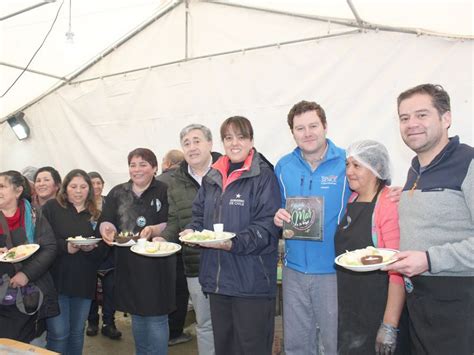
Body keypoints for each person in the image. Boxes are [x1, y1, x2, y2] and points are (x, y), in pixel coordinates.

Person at [385, 84, 474, 354]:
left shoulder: (468, 164)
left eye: (421, 115)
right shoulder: (416, 168)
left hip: (459, 303)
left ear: (446, 119)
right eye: (404, 118)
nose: (411, 124)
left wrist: (429, 259)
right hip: (420, 301)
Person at [182, 116, 281, 355]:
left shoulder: (263, 176)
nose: (234, 143)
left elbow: (268, 226)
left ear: (251, 140)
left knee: (251, 348)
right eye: (228, 137)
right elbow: (198, 213)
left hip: (251, 282)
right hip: (217, 282)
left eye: (241, 136)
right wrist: (192, 230)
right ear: (222, 141)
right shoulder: (213, 176)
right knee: (225, 347)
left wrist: (232, 243)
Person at [273, 100, 350, 355]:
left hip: (333, 270)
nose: (307, 133)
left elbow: (373, 195)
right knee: (296, 345)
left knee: (334, 342)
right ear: (292, 132)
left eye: (313, 125)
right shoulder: (283, 166)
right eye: (300, 128)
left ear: (325, 126)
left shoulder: (347, 163)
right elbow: (275, 207)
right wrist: (276, 216)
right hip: (294, 271)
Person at [334, 140, 408, 355]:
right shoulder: (352, 198)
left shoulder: (388, 204)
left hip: (379, 308)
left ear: (376, 168)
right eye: (347, 165)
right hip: (350, 307)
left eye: (357, 166)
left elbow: (397, 270)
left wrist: (389, 325)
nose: (349, 171)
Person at [100, 148, 175, 355]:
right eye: (133, 165)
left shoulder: (165, 189)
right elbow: (107, 220)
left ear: (154, 167)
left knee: (157, 317)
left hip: (157, 264)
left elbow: (173, 222)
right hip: (127, 263)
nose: (137, 169)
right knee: (137, 315)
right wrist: (107, 229)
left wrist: (154, 229)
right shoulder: (118, 191)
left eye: (143, 164)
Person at [160, 124, 219, 354]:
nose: (192, 147)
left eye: (197, 141)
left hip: (229, 259)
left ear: (210, 144)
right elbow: (175, 219)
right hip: (194, 263)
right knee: (205, 324)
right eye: (187, 143)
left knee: (230, 322)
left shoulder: (227, 170)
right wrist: (163, 239)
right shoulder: (176, 180)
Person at [42, 169, 106, 355]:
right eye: (73, 186)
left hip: (84, 281)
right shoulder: (52, 208)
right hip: (57, 281)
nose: (78, 191)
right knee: (59, 334)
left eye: (83, 186)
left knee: (77, 332)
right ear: (65, 188)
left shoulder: (96, 214)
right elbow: (43, 240)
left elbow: (104, 249)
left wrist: (91, 248)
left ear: (90, 190)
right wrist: (65, 247)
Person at [0, 171, 58, 342]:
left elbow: (49, 247)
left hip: (29, 293)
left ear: (18, 191)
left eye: (2, 186)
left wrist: (26, 274)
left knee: (28, 342)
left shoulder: (34, 215)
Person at [156, 149, 191, 346]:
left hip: (160, 243)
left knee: (164, 288)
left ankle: (162, 332)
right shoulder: (185, 181)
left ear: (167, 162)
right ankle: (174, 332)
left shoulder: (158, 181)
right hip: (182, 245)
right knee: (180, 291)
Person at [86, 171, 122, 340]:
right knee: (90, 290)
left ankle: (109, 323)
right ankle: (92, 321)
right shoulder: (82, 205)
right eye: (92, 183)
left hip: (110, 253)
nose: (96, 186)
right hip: (89, 255)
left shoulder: (110, 202)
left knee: (111, 291)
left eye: (99, 183)